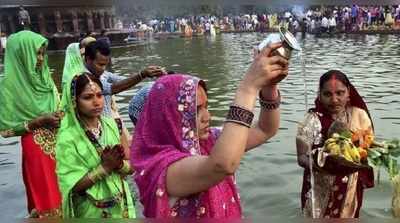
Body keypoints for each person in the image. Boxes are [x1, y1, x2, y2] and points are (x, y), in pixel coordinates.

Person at [131, 43, 289, 218]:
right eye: (195, 111)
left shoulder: (209, 141)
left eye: (206, 106)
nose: (207, 116)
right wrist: (248, 88)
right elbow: (222, 165)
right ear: (167, 116)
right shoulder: (162, 168)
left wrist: (268, 87)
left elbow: (265, 129)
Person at [296, 70, 374, 218]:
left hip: (349, 185)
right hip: (318, 187)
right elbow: (301, 157)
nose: (334, 100)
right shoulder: (311, 120)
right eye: (327, 94)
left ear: (348, 92)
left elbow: (367, 148)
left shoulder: (359, 115)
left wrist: (354, 160)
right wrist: (322, 164)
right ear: (320, 94)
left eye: (340, 93)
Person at [0, 31, 62, 217]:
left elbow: (59, 106)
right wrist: (38, 121)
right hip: (36, 148)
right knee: (46, 200)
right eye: (37, 53)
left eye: (43, 53)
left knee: (68, 194)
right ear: (21, 53)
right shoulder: (8, 87)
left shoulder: (45, 79)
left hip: (62, 143)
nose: (41, 59)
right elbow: (5, 131)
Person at [56, 73, 135, 218]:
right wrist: (104, 168)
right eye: (88, 97)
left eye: (99, 95)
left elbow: (132, 167)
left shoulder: (113, 125)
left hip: (122, 205)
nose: (97, 102)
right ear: (74, 101)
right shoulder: (67, 138)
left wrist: (119, 165)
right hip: (90, 211)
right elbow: (72, 187)